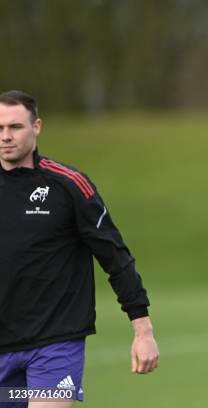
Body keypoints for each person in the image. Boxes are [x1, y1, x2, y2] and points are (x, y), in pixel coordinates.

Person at [0, 90, 159, 408]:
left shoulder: (69, 184)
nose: (6, 136)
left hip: (55, 345)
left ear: (37, 127)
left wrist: (143, 329)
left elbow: (114, 255)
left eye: (15, 127)